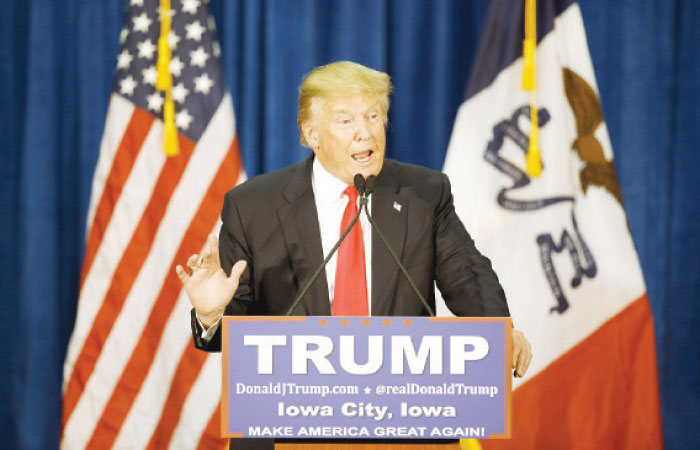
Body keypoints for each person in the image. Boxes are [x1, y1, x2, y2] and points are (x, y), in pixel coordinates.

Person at [176, 61, 531, 448]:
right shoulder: (253, 206)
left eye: (374, 115)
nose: (366, 133)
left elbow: (467, 274)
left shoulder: (424, 193)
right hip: (288, 430)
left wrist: (496, 328)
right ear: (312, 134)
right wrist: (212, 314)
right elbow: (237, 330)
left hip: (402, 425)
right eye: (345, 121)